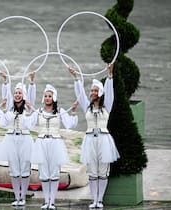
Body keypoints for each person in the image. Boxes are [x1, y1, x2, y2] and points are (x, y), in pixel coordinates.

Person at [69, 64, 120, 209]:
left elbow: (110, 94)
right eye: (91, 90)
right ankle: (94, 199)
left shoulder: (106, 106)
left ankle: (100, 200)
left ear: (100, 93)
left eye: (95, 90)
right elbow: (80, 94)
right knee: (92, 171)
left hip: (104, 139)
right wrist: (76, 78)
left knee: (103, 171)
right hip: (90, 140)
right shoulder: (87, 106)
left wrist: (110, 76)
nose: (91, 93)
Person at [30, 84, 78, 209]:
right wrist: (29, 109)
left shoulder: (60, 111)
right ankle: (46, 201)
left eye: (50, 96)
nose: (47, 98)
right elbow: (28, 124)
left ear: (54, 98)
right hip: (41, 143)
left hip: (55, 143)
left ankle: (52, 201)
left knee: (54, 173)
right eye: (45, 96)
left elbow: (70, 124)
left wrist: (73, 111)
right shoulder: (38, 112)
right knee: (44, 173)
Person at [0, 71, 36, 207]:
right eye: (16, 93)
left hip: (25, 140)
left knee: (25, 169)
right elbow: (6, 96)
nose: (17, 95)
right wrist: (5, 81)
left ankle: (23, 196)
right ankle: (16, 197)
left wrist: (31, 82)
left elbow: (31, 96)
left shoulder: (28, 110)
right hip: (11, 141)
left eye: (20, 93)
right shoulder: (10, 109)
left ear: (23, 95)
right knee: (14, 169)